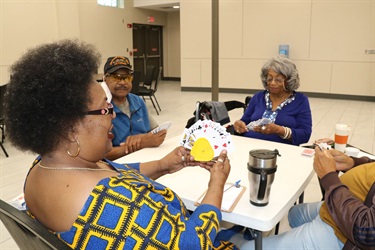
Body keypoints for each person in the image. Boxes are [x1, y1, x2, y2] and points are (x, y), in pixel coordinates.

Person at [4, 39, 240, 249]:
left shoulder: (46, 166)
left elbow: (113, 171)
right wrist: (216, 184)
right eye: (105, 109)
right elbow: (194, 244)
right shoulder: (115, 208)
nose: (113, 115)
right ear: (71, 126)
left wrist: (163, 165)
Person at [233, 147, 375, 249]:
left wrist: (329, 177)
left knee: (247, 248)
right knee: (294, 214)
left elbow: (366, 232)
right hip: (341, 205)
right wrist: (353, 163)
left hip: (344, 231)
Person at [233, 57, 312, 146]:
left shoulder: (300, 101)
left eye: (278, 80)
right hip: (250, 145)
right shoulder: (258, 97)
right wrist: (239, 125)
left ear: (289, 81)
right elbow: (244, 121)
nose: (272, 83)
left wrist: (279, 130)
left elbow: (305, 134)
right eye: (269, 79)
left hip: (282, 150)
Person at [102, 56, 166, 160]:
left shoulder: (138, 101)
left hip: (147, 158)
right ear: (105, 79)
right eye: (116, 77)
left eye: (127, 77)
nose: (122, 82)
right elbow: (101, 154)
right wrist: (140, 144)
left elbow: (158, 132)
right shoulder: (101, 108)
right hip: (119, 165)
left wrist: (144, 139)